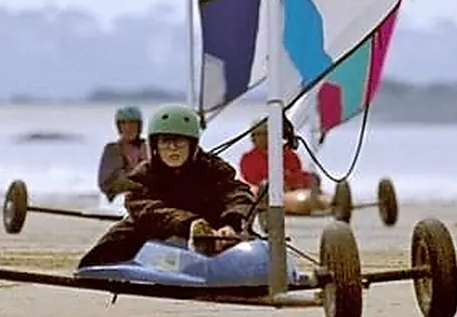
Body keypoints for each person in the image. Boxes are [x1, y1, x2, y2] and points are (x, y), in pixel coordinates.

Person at [77, 103, 257, 269]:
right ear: (155, 146)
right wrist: (190, 224)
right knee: (105, 253)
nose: (172, 148)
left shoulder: (213, 168)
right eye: (165, 142)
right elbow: (144, 209)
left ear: (192, 144)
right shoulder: (143, 175)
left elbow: (239, 194)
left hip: (212, 232)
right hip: (163, 231)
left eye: (179, 142)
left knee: (255, 250)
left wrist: (231, 223)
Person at [236, 115, 312, 193]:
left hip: (291, 194)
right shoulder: (248, 159)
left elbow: (298, 173)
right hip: (262, 196)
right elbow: (252, 180)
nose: (255, 138)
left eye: (260, 134)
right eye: (254, 135)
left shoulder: (289, 155)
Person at [96, 105, 148, 201]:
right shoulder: (112, 150)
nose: (128, 127)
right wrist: (134, 183)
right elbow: (106, 183)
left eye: (132, 123)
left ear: (139, 126)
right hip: (120, 201)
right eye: (124, 123)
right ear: (119, 127)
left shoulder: (148, 147)